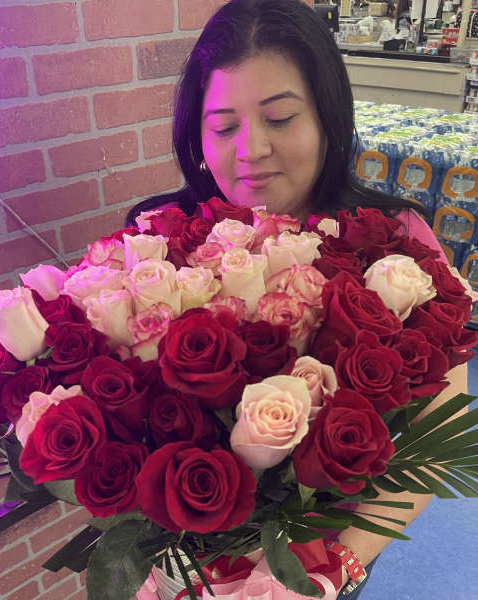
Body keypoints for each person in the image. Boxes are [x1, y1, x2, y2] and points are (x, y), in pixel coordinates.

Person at [127, 0, 468, 597]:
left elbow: (439, 429)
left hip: (327, 559)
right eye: (223, 127)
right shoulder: (159, 241)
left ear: (328, 117)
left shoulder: (396, 243)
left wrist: (336, 569)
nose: (250, 149)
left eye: (280, 118)